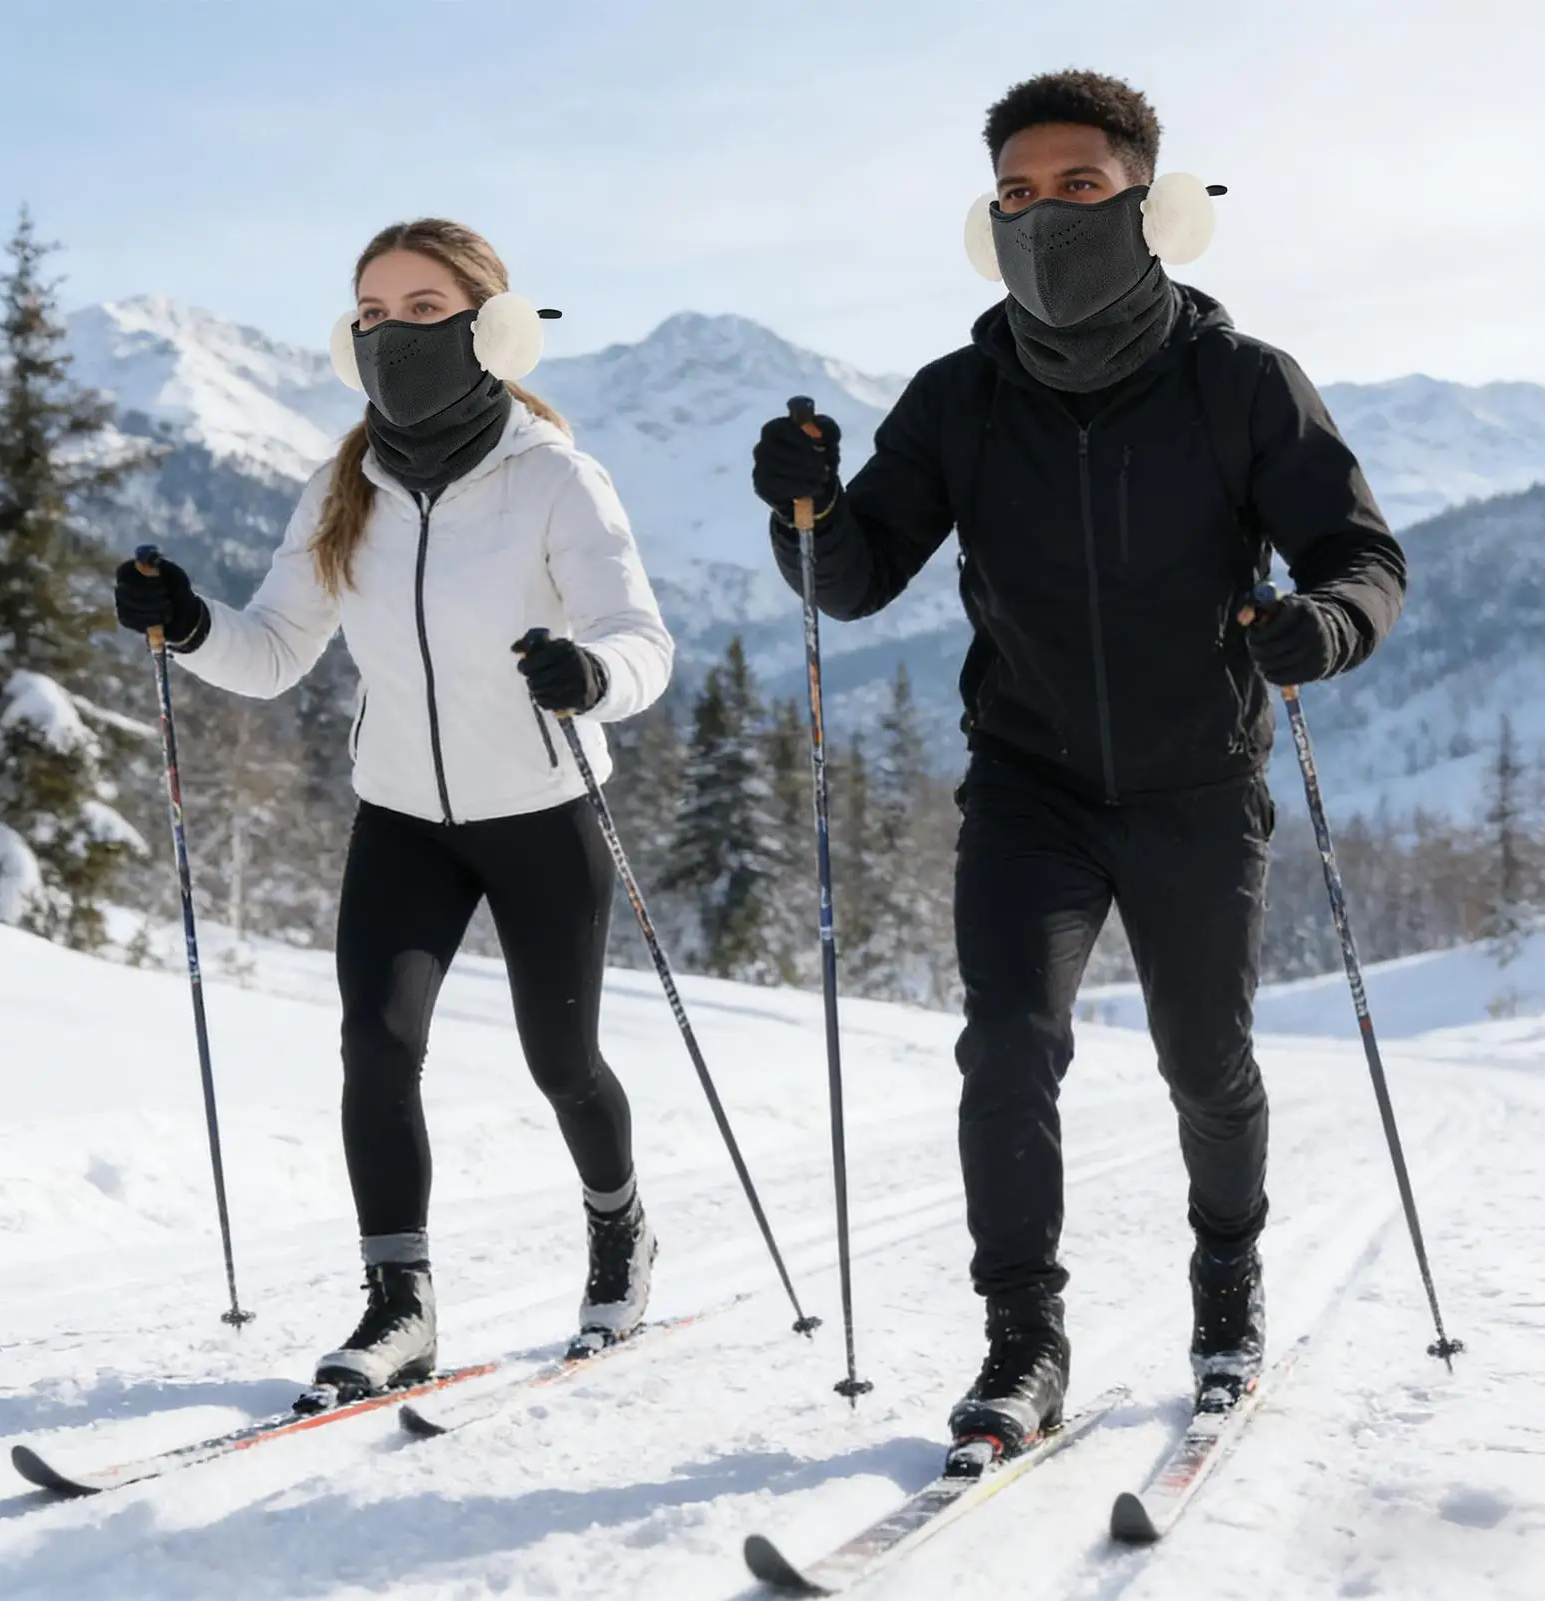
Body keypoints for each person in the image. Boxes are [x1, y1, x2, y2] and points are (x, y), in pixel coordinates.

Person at [751, 72, 1406, 1448]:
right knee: (1005, 1046)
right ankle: (1021, 1344)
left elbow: (1360, 556)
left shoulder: (1239, 383)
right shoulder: (958, 400)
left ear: (1151, 206)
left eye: (1077, 188)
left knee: (1205, 1059)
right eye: (1015, 196)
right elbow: (856, 580)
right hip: (1030, 781)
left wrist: (1323, 625)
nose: (1043, 216)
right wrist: (803, 504)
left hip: (1195, 781)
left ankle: (1225, 1292)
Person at [116, 218, 674, 1403]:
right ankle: (399, 1303)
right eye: (372, 313)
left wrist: (590, 675)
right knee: (376, 1042)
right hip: (403, 818)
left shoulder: (552, 476)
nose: (392, 332)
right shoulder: (344, 481)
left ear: (492, 326)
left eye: (424, 309)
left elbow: (642, 644)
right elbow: (273, 653)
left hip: (539, 807)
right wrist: (189, 618)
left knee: (561, 1059)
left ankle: (620, 1226)